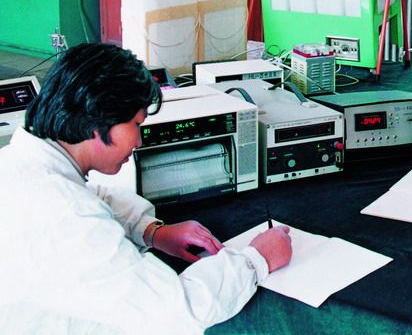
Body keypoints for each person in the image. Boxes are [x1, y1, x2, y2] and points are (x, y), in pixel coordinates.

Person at [0, 43, 293, 335]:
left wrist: (152, 231)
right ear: (97, 123)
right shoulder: (66, 215)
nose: (139, 141)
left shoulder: (23, 166)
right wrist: (256, 260)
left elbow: (96, 196)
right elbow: (176, 312)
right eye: (136, 124)